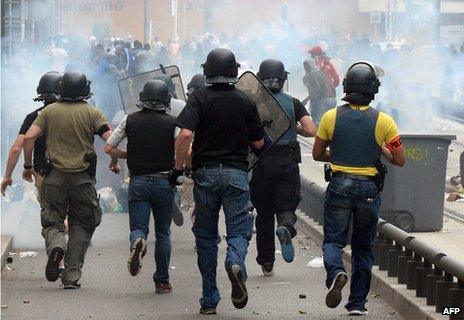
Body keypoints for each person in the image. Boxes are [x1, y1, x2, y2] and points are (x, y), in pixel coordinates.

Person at [175, 48, 266, 314]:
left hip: (205, 176)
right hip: (237, 174)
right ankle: (235, 262)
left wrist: (177, 168)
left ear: (207, 72)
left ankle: (209, 300)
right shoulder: (245, 100)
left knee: (205, 237)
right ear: (234, 72)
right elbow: (259, 142)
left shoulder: (199, 98)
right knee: (238, 231)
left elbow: (184, 136)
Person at [312, 61, 405, 315]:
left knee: (333, 240)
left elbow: (318, 153)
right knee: (363, 247)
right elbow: (399, 159)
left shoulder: (331, 116)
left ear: (346, 86)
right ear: (374, 89)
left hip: (339, 184)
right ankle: (357, 305)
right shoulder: (384, 121)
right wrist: (379, 149)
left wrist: (341, 155)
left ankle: (336, 272)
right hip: (369, 190)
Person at [22, 70, 119, 289]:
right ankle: (72, 275)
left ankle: (57, 245)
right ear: (84, 90)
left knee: (52, 221)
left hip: (53, 177)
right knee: (83, 223)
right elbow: (110, 139)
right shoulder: (93, 113)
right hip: (82, 180)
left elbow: (28, 138)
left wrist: (28, 166)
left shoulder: (49, 112)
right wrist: (114, 161)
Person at [104, 79, 177, 294]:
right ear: (166, 100)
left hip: (139, 182)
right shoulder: (173, 123)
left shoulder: (131, 120)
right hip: (164, 181)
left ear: (143, 99)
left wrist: (127, 155)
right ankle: (162, 281)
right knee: (163, 233)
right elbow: (186, 147)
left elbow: (109, 148)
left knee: (139, 227)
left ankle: (138, 240)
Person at [251, 59, 316, 275]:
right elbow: (310, 129)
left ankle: (267, 262)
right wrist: (292, 127)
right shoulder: (293, 102)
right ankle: (286, 226)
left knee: (263, 213)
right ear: (283, 79)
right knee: (286, 205)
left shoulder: (253, 103)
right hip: (287, 162)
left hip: (261, 162)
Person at [152, 73, 186, 227]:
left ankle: (171, 203)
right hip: (181, 146)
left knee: (163, 180)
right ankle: (174, 201)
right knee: (177, 178)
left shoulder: (149, 106)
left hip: (158, 149)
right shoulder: (182, 105)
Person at [302, 58, 333, 125]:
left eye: (307, 66)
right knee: (327, 122)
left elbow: (316, 90)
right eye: (304, 66)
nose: (305, 68)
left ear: (311, 65)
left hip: (322, 101)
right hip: (330, 100)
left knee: (317, 122)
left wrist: (306, 100)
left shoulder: (313, 75)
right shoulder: (319, 72)